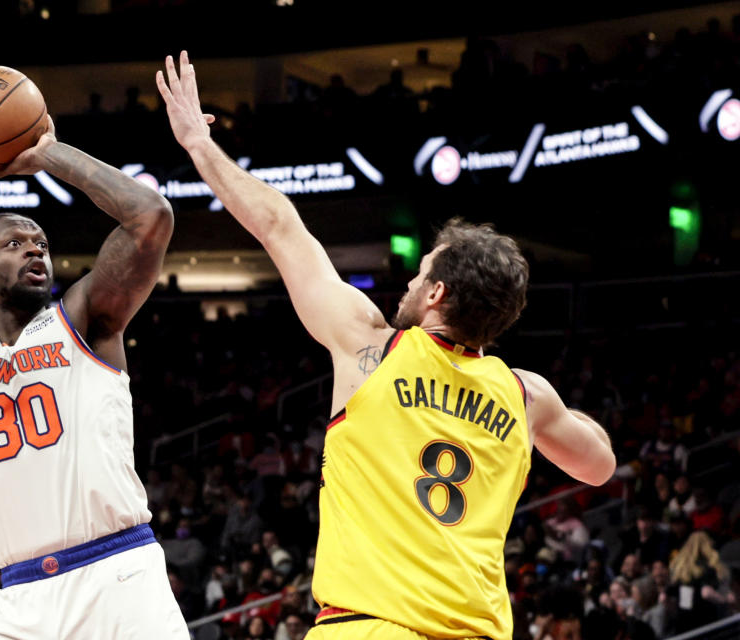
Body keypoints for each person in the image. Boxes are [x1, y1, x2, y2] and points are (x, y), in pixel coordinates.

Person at [156, 50, 617, 640]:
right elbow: (600, 465)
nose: (409, 280)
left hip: (368, 627)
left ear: (438, 293)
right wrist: (543, 412)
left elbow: (278, 225)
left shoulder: (370, 345)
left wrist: (198, 144)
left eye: (420, 273)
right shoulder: (526, 396)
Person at [0, 81, 187, 638]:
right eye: (14, 244)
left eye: (41, 243)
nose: (35, 248)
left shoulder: (82, 320)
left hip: (120, 576)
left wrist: (47, 152)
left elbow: (150, 217)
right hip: (22, 597)